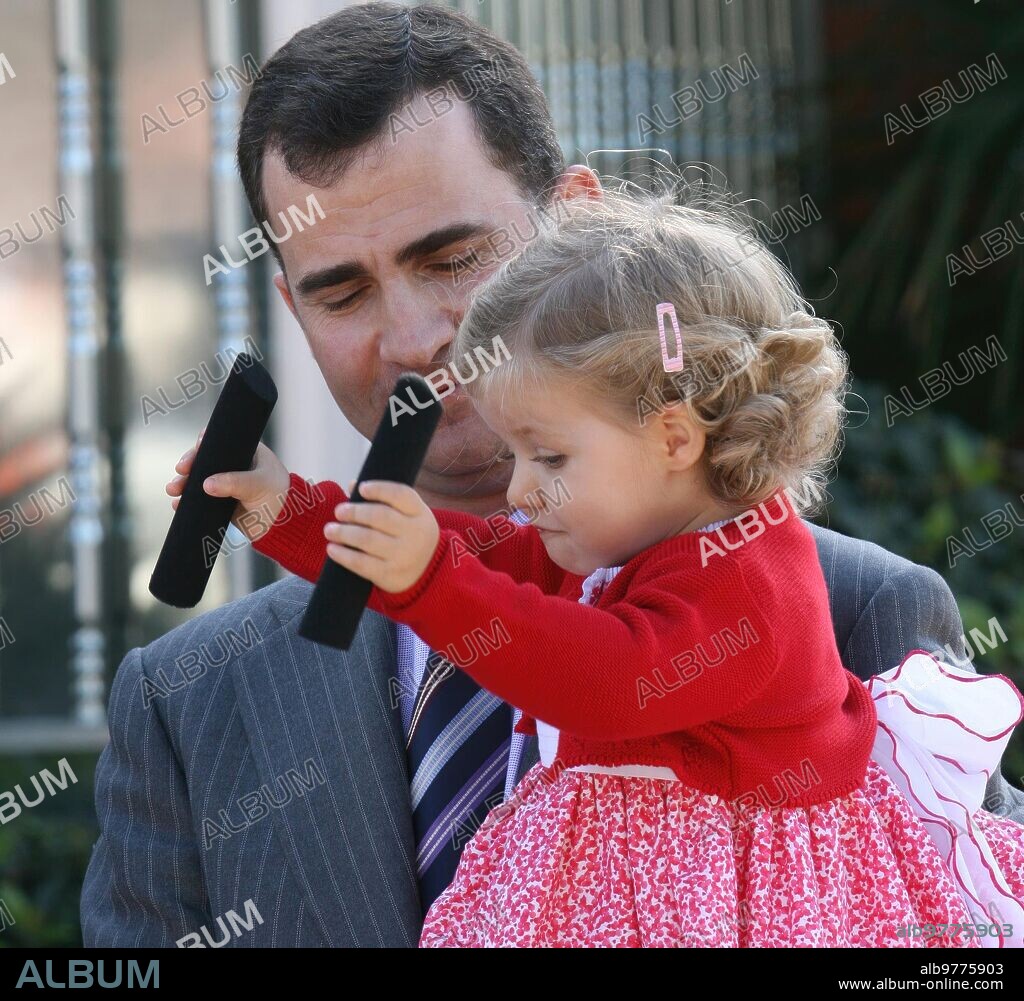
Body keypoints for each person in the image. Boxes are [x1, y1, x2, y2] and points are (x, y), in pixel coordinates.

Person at [81, 3, 1024, 948]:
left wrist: (422, 576)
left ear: (576, 221)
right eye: (344, 290)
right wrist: (291, 511)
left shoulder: (859, 608)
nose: (415, 340)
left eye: (453, 257)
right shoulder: (182, 701)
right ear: (289, 302)